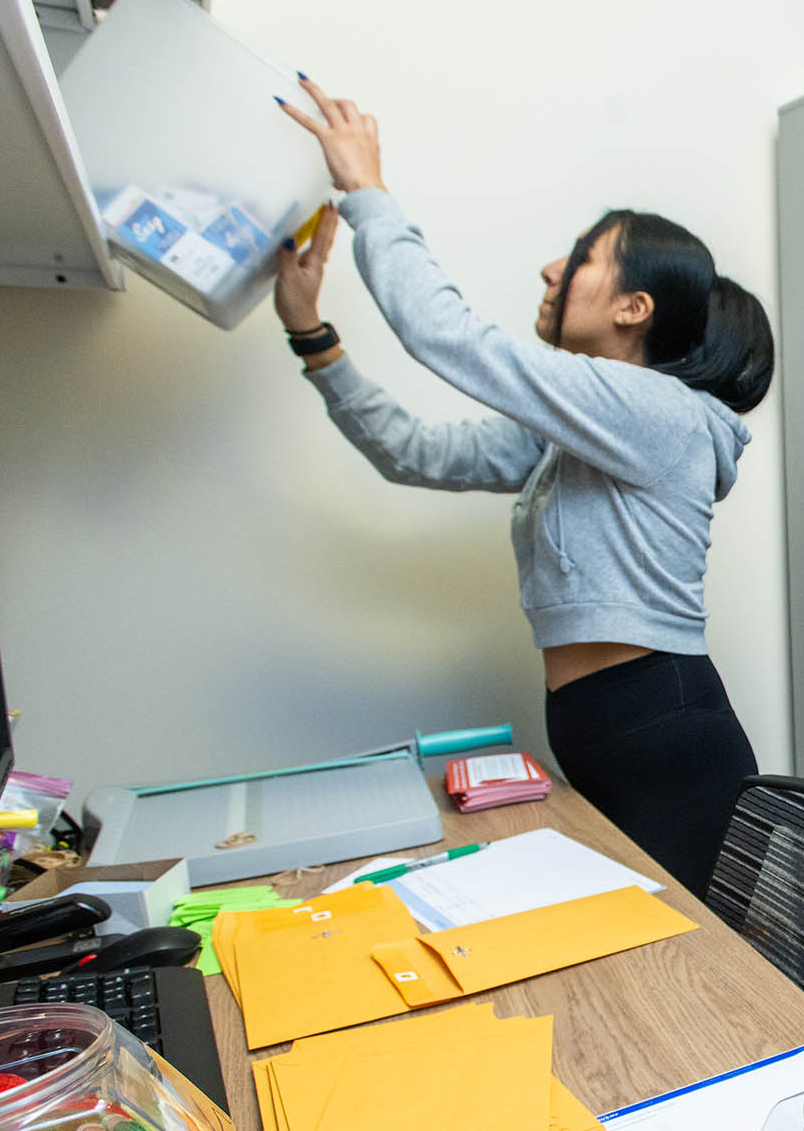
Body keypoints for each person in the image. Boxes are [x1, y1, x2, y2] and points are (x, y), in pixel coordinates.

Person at [273, 77, 772, 897]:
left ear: (633, 307)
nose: (552, 266)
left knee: (696, 979)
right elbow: (417, 453)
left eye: (582, 258)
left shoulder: (656, 412)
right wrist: (312, 337)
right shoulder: (581, 434)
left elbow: (447, 336)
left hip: (660, 730)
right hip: (603, 724)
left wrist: (367, 191)